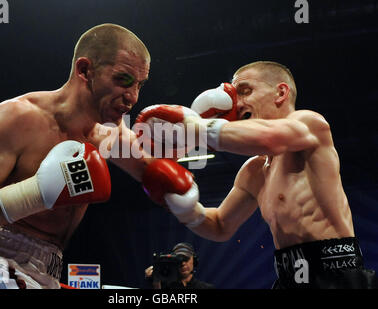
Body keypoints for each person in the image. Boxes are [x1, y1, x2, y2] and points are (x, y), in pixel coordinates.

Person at [0, 23, 194, 289]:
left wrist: (200, 134)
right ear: (85, 70)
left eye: (140, 85)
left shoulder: (109, 132)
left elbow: (160, 178)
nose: (133, 97)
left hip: (48, 269)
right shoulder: (18, 117)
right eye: (123, 80)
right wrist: (39, 191)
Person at [137, 61, 377, 289]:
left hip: (337, 276)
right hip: (287, 279)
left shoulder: (309, 124)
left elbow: (270, 138)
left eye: (245, 91)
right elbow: (220, 225)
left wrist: (198, 127)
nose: (236, 104)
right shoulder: (254, 171)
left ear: (280, 93)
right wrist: (185, 209)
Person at [144, 242, 214, 289]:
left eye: (186, 259)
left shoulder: (206, 288)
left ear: (194, 260)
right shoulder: (161, 286)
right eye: (179, 260)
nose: (183, 263)